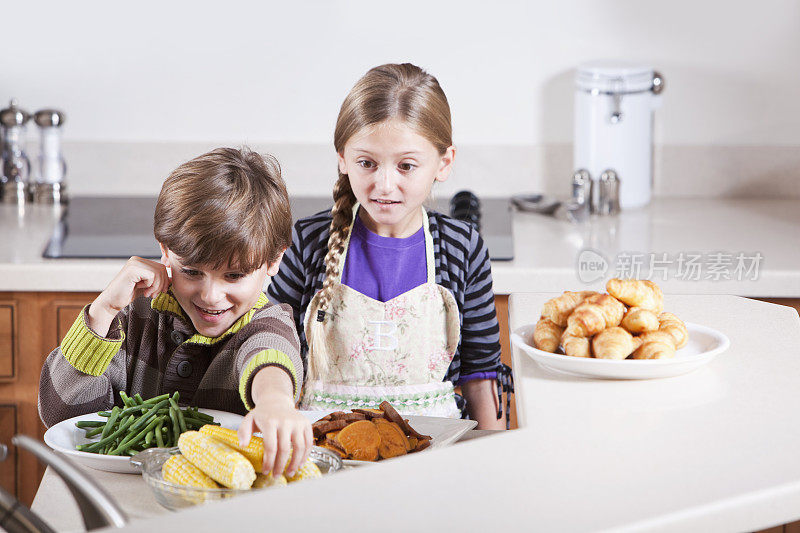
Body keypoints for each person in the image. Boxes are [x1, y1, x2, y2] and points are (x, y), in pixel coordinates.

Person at [38, 147, 312, 475]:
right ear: (165, 249)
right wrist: (104, 309)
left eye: (234, 276)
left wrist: (274, 402)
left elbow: (270, 358)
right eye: (192, 272)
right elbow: (61, 416)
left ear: (273, 261)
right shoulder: (133, 318)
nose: (211, 296)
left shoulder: (266, 323)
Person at [267, 63, 511, 429]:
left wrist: (492, 458)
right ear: (342, 159)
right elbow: (271, 342)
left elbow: (479, 373)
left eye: (406, 166)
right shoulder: (309, 241)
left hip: (432, 455)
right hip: (324, 451)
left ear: (443, 163)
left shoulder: (463, 247)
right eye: (367, 162)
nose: (384, 184)